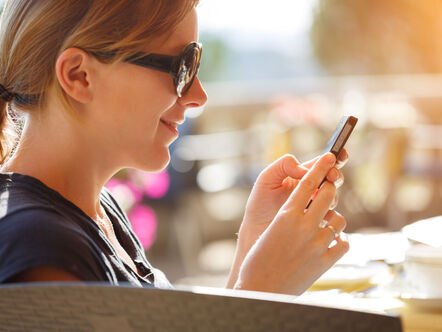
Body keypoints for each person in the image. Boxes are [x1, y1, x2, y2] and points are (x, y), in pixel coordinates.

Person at [0, 0, 349, 295]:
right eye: (182, 66)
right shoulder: (38, 247)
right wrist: (268, 287)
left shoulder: (96, 210)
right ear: (79, 76)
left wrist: (253, 251)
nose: (199, 96)